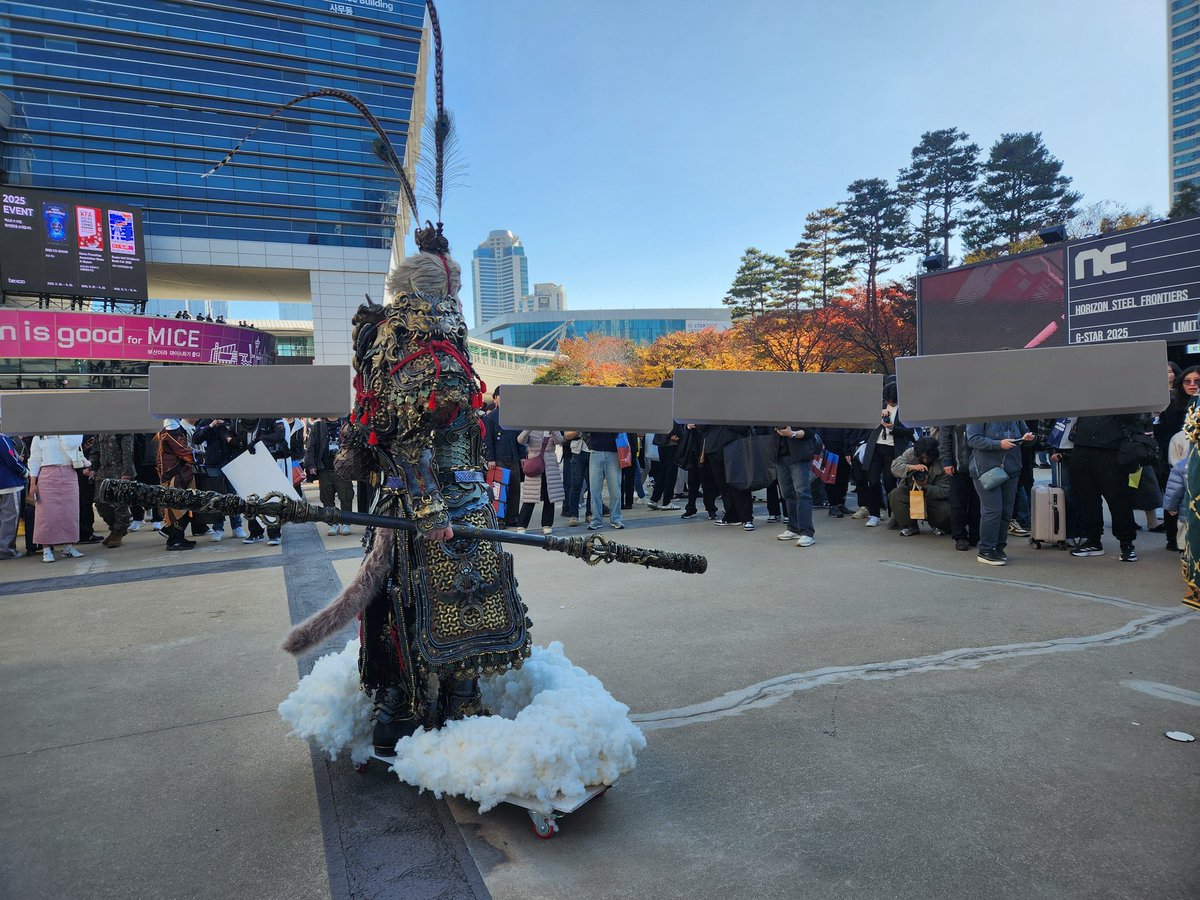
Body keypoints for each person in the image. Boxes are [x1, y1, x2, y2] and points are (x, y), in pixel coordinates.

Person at [281, 219, 529, 756]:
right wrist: (432, 508)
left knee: (424, 600)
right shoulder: (427, 350)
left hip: (427, 498)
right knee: (432, 601)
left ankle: (424, 703)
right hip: (437, 502)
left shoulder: (399, 342)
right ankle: (425, 707)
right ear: (445, 292)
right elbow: (409, 441)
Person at [1060, 414, 1145, 563]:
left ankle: (1126, 543)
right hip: (1083, 448)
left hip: (1112, 449)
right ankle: (1093, 540)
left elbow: (1136, 413)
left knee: (1118, 500)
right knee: (1086, 499)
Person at [967, 420, 1033, 566]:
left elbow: (1024, 433)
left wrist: (1027, 437)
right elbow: (972, 439)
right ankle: (986, 549)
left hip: (1011, 469)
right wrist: (998, 444)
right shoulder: (979, 412)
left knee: (1006, 512)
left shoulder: (1015, 415)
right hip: (986, 469)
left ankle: (998, 547)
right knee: (993, 510)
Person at [857, 382, 913, 527]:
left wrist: (893, 428)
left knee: (890, 483)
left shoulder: (906, 408)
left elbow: (910, 431)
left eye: (892, 401)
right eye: (887, 400)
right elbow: (865, 422)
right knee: (873, 481)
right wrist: (877, 418)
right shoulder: (879, 405)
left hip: (893, 449)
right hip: (875, 447)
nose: (889, 403)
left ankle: (893, 514)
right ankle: (874, 514)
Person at [28, 434, 89, 562]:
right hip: (47, 472)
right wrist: (33, 483)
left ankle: (68, 546)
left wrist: (62, 432)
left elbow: (71, 444)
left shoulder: (71, 433)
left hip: (69, 472)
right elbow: (35, 459)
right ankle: (46, 549)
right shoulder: (39, 437)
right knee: (46, 513)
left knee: (70, 511)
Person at [191, 417, 248, 541]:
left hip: (231, 461)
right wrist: (211, 426)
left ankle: (237, 526)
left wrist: (226, 426)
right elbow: (196, 438)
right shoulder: (205, 421)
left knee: (233, 495)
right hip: (213, 463)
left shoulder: (232, 420)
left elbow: (241, 436)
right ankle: (218, 528)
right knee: (216, 496)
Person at [888, 436, 952, 536]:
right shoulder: (910, 453)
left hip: (934, 496)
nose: (925, 460)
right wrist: (910, 467)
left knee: (947, 510)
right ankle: (909, 526)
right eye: (922, 458)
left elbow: (945, 491)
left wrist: (925, 485)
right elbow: (894, 467)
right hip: (912, 491)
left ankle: (937, 525)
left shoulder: (943, 460)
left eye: (928, 457)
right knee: (896, 494)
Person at [482, 387, 524, 528]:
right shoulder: (490, 417)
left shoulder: (515, 416)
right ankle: (499, 518)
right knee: (499, 490)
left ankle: (513, 517)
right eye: (500, 396)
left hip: (514, 457)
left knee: (514, 489)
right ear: (495, 398)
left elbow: (520, 438)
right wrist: (490, 458)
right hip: (499, 458)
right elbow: (487, 440)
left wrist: (522, 456)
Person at [305, 416, 353, 535]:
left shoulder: (346, 424)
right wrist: (311, 465)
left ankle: (346, 522)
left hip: (343, 469)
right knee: (327, 497)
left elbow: (354, 445)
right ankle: (333, 523)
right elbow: (310, 447)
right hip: (325, 468)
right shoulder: (317, 426)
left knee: (346, 495)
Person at [772, 424, 817, 547]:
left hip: (799, 455)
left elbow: (810, 431)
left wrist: (792, 433)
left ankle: (807, 532)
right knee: (787, 493)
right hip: (780, 455)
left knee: (802, 493)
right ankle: (793, 527)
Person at [938, 423, 981, 551]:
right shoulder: (952, 412)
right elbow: (945, 438)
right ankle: (960, 536)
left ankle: (976, 535)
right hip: (958, 465)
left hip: (979, 464)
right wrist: (946, 461)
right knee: (957, 503)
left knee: (977, 502)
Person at [157, 419, 197, 551]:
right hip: (175, 475)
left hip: (178, 474)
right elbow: (182, 450)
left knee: (181, 506)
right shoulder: (171, 430)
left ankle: (177, 538)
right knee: (176, 508)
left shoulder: (171, 429)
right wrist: (197, 457)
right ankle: (175, 540)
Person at [90, 433, 136, 547]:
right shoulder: (100, 430)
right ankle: (114, 528)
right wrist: (93, 468)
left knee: (119, 504)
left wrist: (126, 473)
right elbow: (95, 450)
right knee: (99, 502)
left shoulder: (123, 429)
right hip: (103, 471)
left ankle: (119, 531)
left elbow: (128, 451)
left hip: (119, 471)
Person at [515, 429, 564, 534]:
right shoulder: (531, 426)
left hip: (550, 464)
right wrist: (529, 428)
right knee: (530, 496)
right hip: (534, 463)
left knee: (549, 496)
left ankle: (547, 524)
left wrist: (553, 429)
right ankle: (522, 525)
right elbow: (520, 440)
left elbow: (560, 440)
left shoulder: (552, 426)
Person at [584, 429, 624, 530]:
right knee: (596, 489)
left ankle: (602, 519)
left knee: (613, 489)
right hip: (602, 451)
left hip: (605, 451)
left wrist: (590, 443)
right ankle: (612, 519)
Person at [0, 425, 27, 558]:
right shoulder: (2, 438)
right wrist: (24, 471)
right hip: (8, 483)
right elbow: (11, 460)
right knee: (10, 517)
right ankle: (6, 549)